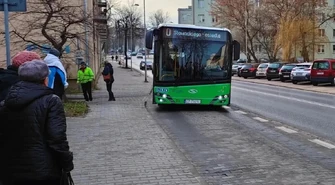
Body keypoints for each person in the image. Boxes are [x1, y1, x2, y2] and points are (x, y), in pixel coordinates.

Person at [0, 60, 74, 185]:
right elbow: (57, 139)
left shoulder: (5, 103)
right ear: (45, 79)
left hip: (10, 171)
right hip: (43, 170)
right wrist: (67, 164)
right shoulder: (51, 101)